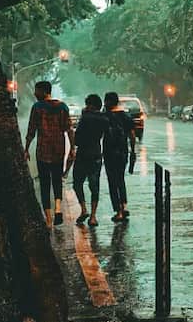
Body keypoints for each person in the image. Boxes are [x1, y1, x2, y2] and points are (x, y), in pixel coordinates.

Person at [25, 80, 74, 228]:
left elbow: (31, 129)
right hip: (58, 149)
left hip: (43, 150)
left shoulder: (37, 107)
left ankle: (48, 219)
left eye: (37, 91)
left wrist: (26, 148)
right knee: (57, 180)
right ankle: (58, 208)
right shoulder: (62, 107)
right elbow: (69, 129)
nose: (35, 93)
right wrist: (72, 148)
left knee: (45, 183)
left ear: (44, 92)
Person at [69, 94, 109, 227]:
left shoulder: (85, 118)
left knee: (77, 183)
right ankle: (93, 216)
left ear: (90, 105)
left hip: (83, 155)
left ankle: (84, 209)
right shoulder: (104, 119)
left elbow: (77, 139)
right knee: (94, 186)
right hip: (96, 154)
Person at [103, 92, 136, 222]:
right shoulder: (126, 116)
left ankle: (118, 211)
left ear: (108, 102)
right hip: (123, 152)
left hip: (109, 152)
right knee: (120, 179)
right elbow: (132, 135)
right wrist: (132, 151)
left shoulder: (106, 116)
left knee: (112, 181)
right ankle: (124, 205)